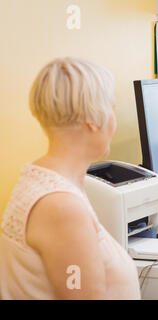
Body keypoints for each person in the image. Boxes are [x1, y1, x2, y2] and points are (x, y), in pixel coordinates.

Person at [0, 57, 141, 299]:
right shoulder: (61, 207)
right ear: (92, 119)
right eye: (112, 108)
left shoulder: (48, 182)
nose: (113, 120)